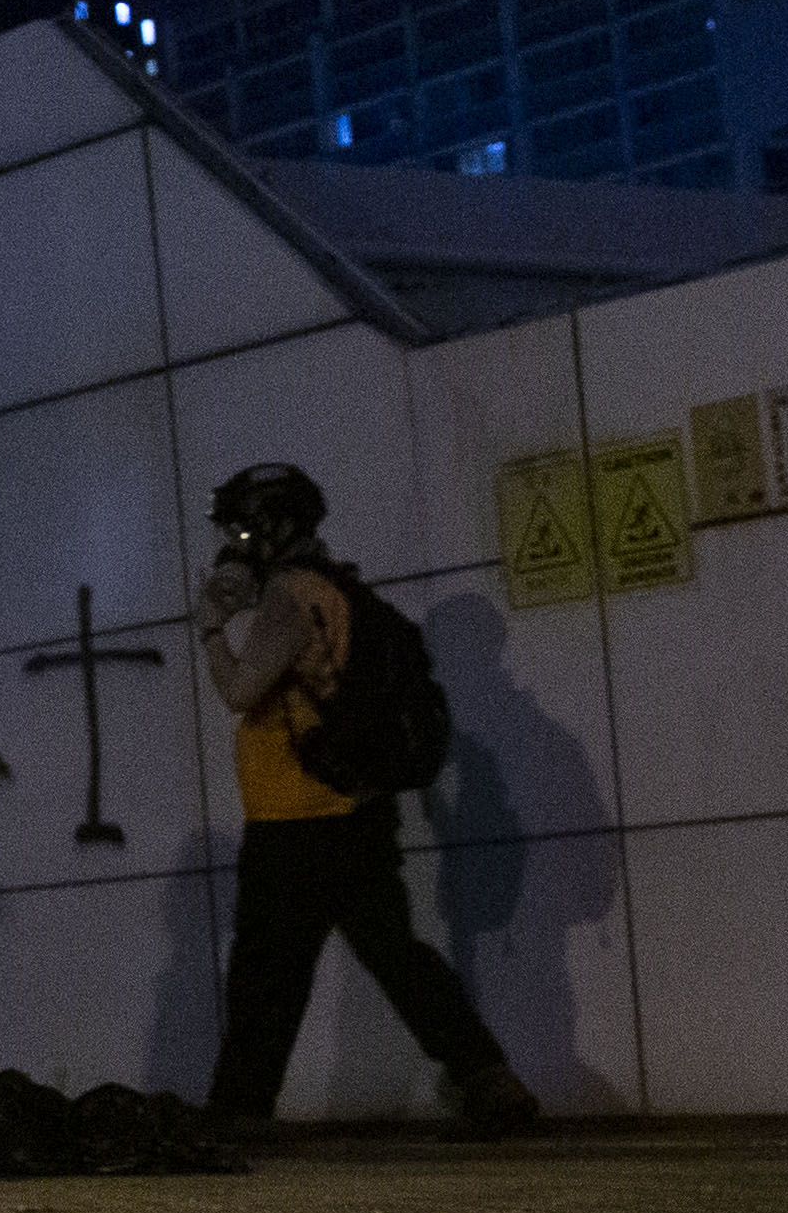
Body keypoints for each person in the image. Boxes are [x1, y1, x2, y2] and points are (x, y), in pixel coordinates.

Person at [194, 462, 542, 1139]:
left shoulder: (292, 595)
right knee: (397, 957)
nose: (235, 545)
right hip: (357, 813)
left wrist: (212, 628)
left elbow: (240, 691)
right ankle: (488, 1078)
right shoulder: (339, 589)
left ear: (279, 526)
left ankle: (238, 1111)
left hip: (297, 821)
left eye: (243, 529)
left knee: (264, 974)